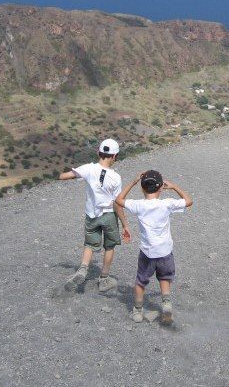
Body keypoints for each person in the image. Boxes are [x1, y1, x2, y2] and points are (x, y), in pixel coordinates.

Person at [114, 170, 193, 325]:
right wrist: (175, 187)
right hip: (165, 252)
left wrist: (133, 181)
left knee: (140, 282)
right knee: (164, 278)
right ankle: (167, 307)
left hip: (147, 252)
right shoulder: (167, 203)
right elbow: (188, 201)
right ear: (161, 187)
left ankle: (137, 312)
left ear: (143, 188)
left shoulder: (139, 205)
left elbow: (119, 200)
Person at [58, 138, 131, 293]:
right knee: (109, 246)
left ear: (98, 153)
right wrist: (125, 224)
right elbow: (117, 203)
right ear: (114, 156)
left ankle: (83, 269)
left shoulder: (88, 169)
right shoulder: (116, 178)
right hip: (109, 215)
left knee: (89, 244)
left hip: (92, 215)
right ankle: (104, 279)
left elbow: (64, 176)